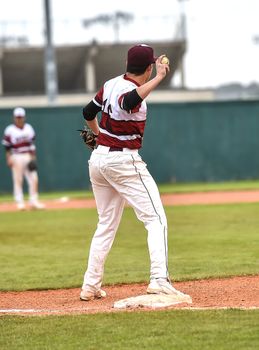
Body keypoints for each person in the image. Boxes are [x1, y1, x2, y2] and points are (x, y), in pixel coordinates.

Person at [80, 44, 190, 301]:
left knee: (105, 224)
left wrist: (97, 135)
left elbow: (88, 112)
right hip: (123, 162)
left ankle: (90, 285)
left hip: (98, 160)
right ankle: (159, 280)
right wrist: (160, 78)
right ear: (149, 67)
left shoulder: (110, 83)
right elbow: (129, 101)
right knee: (156, 219)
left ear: (128, 64)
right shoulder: (130, 91)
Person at [1, 107, 45, 210]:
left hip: (27, 155)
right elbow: (7, 147)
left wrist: (33, 157)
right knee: (18, 180)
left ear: (24, 117)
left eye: (20, 117)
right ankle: (20, 202)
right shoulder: (10, 130)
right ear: (14, 118)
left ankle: (33, 201)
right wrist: (8, 158)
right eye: (17, 117)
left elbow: (31, 144)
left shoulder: (28, 128)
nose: (19, 119)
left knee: (34, 178)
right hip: (16, 156)